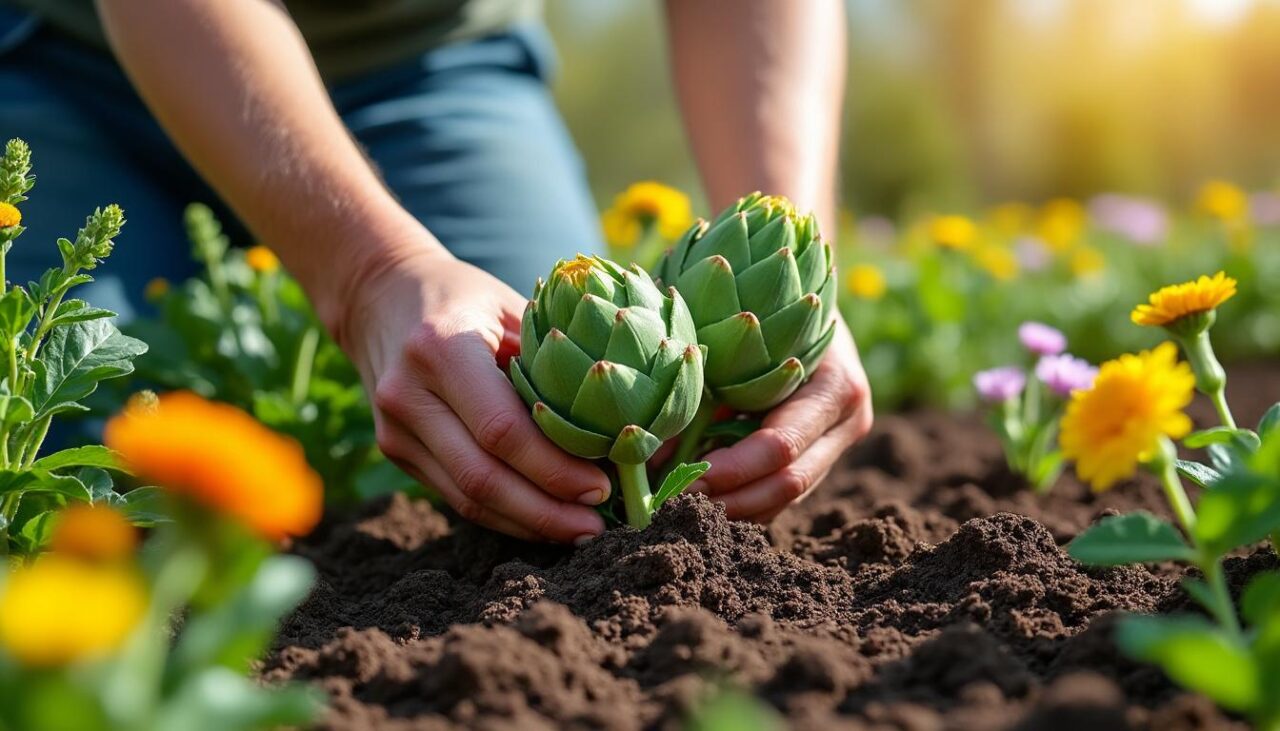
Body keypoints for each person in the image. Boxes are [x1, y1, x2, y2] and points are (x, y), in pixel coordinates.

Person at [0, 0, 872, 544]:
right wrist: (374, 273)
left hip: (435, 63)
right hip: (72, 57)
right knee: (66, 464)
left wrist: (788, 287)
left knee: (535, 441)